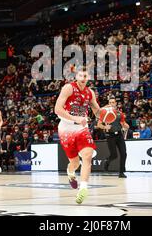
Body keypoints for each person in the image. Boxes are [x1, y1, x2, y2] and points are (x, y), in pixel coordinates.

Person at [54, 68, 101, 204]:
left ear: (88, 77)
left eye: (85, 75)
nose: (83, 77)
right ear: (76, 76)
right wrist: (74, 118)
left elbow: (97, 111)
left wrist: (106, 114)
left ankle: (83, 188)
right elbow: (57, 109)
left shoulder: (90, 93)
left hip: (82, 128)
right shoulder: (68, 88)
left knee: (87, 155)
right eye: (80, 75)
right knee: (74, 163)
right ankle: (70, 173)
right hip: (66, 129)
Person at [97, 97, 129, 178]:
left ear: (115, 104)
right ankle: (107, 161)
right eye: (110, 102)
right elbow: (99, 124)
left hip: (119, 135)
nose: (112, 104)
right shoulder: (104, 113)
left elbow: (123, 123)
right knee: (114, 155)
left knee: (124, 153)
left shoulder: (119, 113)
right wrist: (105, 127)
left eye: (113, 102)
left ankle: (121, 172)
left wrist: (126, 126)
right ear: (108, 104)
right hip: (110, 136)